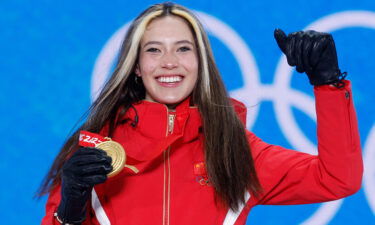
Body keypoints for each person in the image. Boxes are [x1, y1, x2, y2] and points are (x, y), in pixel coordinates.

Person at [39, 2, 363, 225]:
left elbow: (337, 179)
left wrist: (328, 84)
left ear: (200, 62)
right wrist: (69, 208)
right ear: (136, 66)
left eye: (183, 48)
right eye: (154, 50)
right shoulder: (98, 152)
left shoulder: (235, 152)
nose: (169, 62)